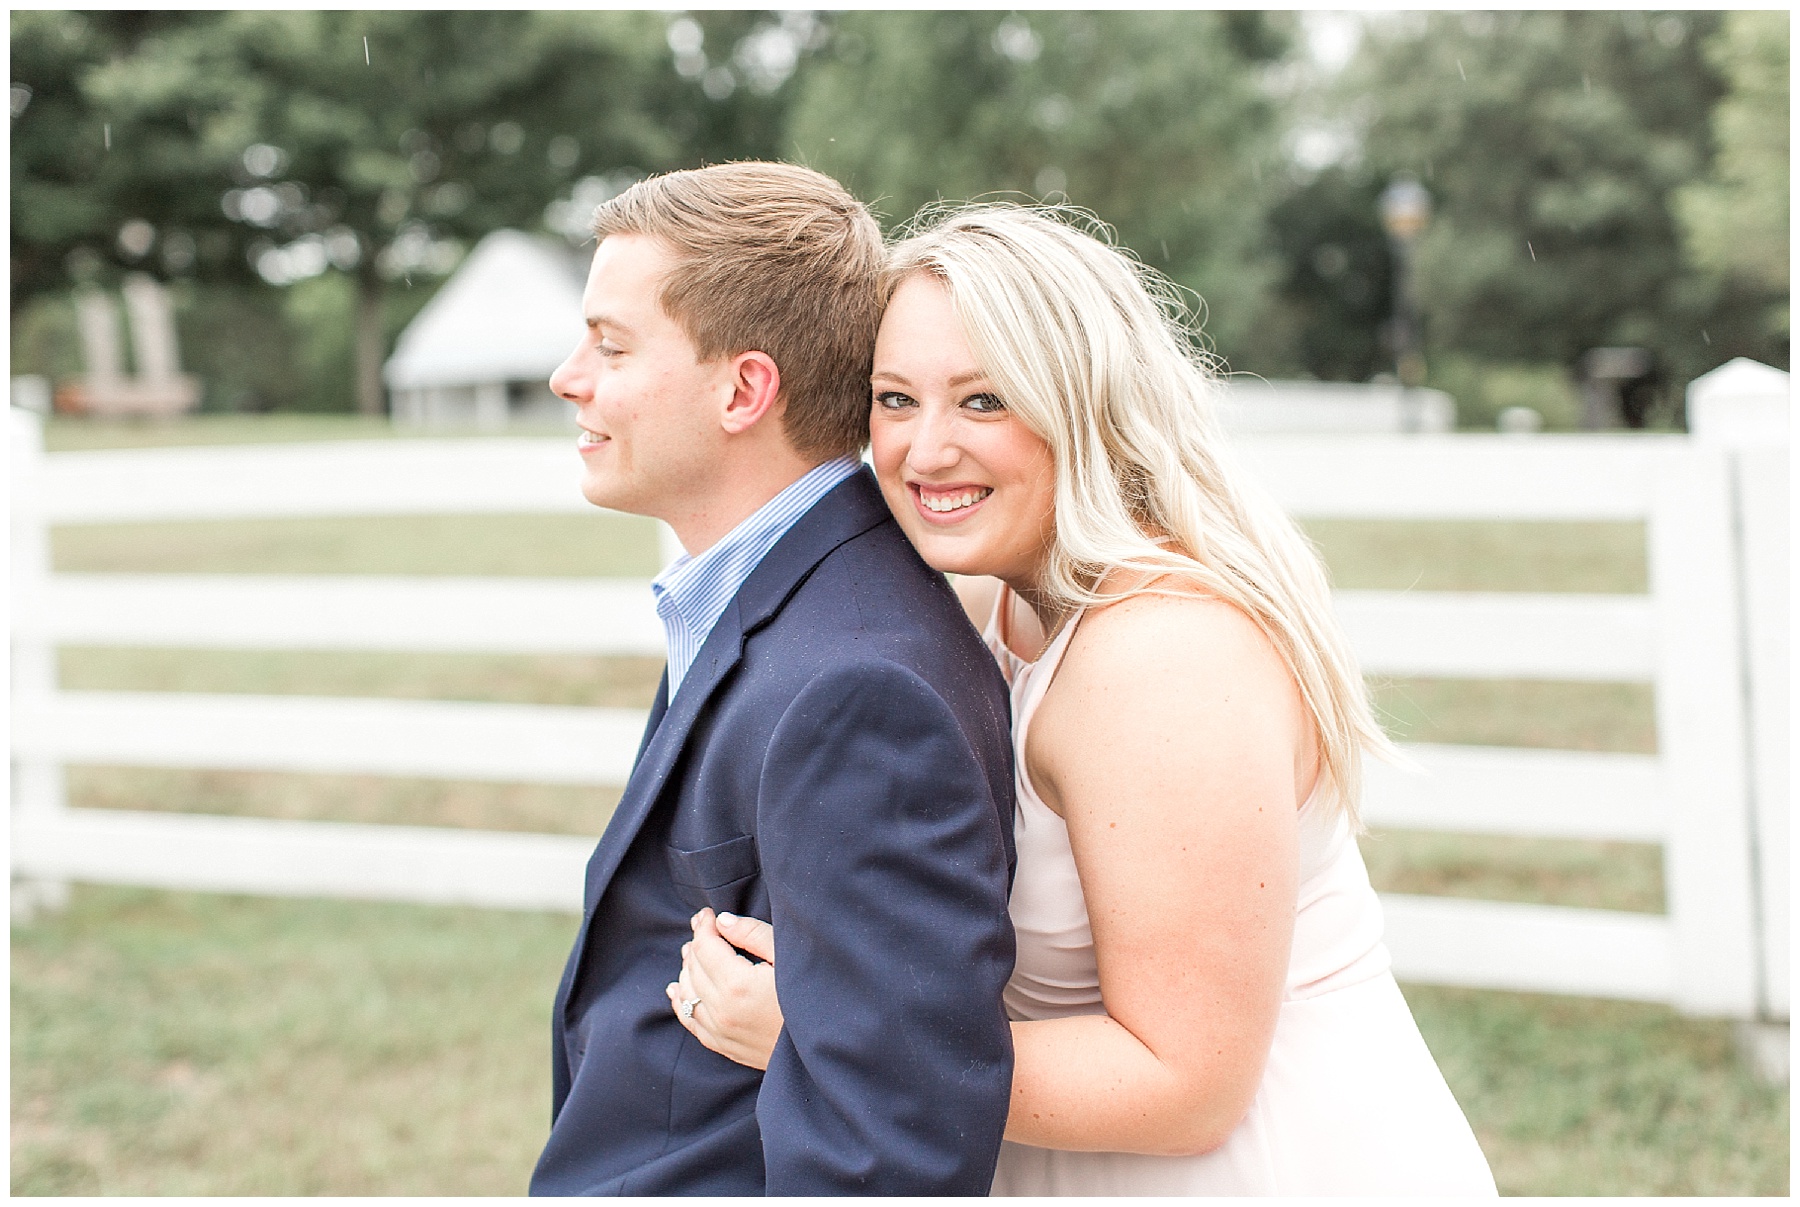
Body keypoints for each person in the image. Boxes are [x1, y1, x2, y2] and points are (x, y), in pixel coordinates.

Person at [671, 204, 1499, 1196]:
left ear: (1086, 406)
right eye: (895, 400)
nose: (924, 451)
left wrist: (829, 1036)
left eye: (984, 401)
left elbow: (1185, 1083)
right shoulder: (994, 601)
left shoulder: (1161, 656)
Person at [528, 164, 1018, 1196]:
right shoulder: (779, 602)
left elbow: (890, 1153)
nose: (570, 376)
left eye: (611, 346)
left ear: (744, 388)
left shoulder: (860, 687)